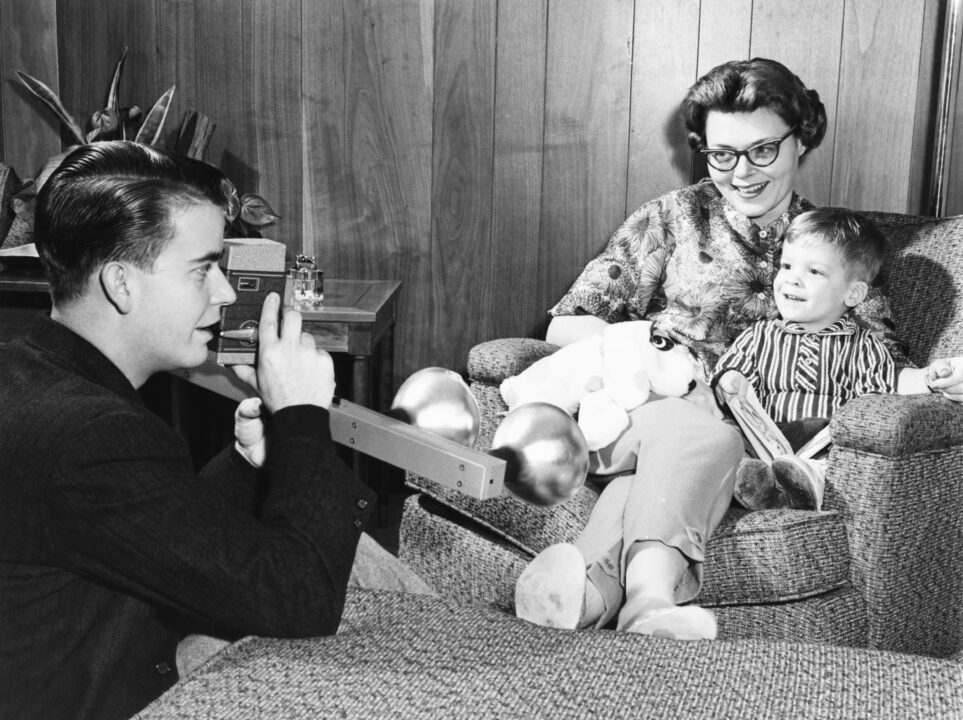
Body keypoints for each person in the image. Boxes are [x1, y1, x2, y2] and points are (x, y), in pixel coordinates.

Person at [513, 58, 963, 642]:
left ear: (800, 139)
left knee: (691, 457)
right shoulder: (671, 219)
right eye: (722, 154)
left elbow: (879, 368)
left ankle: (586, 595)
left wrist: (939, 381)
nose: (741, 173)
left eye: (762, 151)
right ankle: (648, 601)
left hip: (740, 443)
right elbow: (564, 328)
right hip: (634, 414)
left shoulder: (831, 247)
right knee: (703, 434)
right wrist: (661, 355)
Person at [0, 141, 431, 720]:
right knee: (342, 574)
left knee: (349, 550)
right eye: (203, 269)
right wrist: (302, 418)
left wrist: (247, 461)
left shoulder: (28, 373)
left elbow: (147, 528)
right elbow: (297, 600)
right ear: (120, 284)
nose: (225, 294)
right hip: (110, 693)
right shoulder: (90, 435)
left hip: (98, 645)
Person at [713, 207, 953, 511]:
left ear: (853, 294)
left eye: (813, 271)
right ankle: (758, 483)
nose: (791, 280)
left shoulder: (864, 346)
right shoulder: (759, 336)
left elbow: (875, 402)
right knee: (728, 438)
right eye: (786, 266)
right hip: (763, 439)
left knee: (830, 461)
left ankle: (802, 484)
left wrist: (932, 378)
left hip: (821, 449)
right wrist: (729, 382)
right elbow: (728, 378)